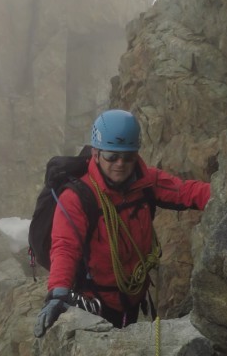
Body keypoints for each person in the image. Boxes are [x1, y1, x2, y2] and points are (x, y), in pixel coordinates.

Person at [34, 109, 210, 335]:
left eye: (128, 156)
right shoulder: (78, 197)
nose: (120, 163)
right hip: (94, 302)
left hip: (132, 296)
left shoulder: (146, 182)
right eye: (112, 156)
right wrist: (58, 292)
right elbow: (65, 247)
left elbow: (185, 191)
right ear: (96, 153)